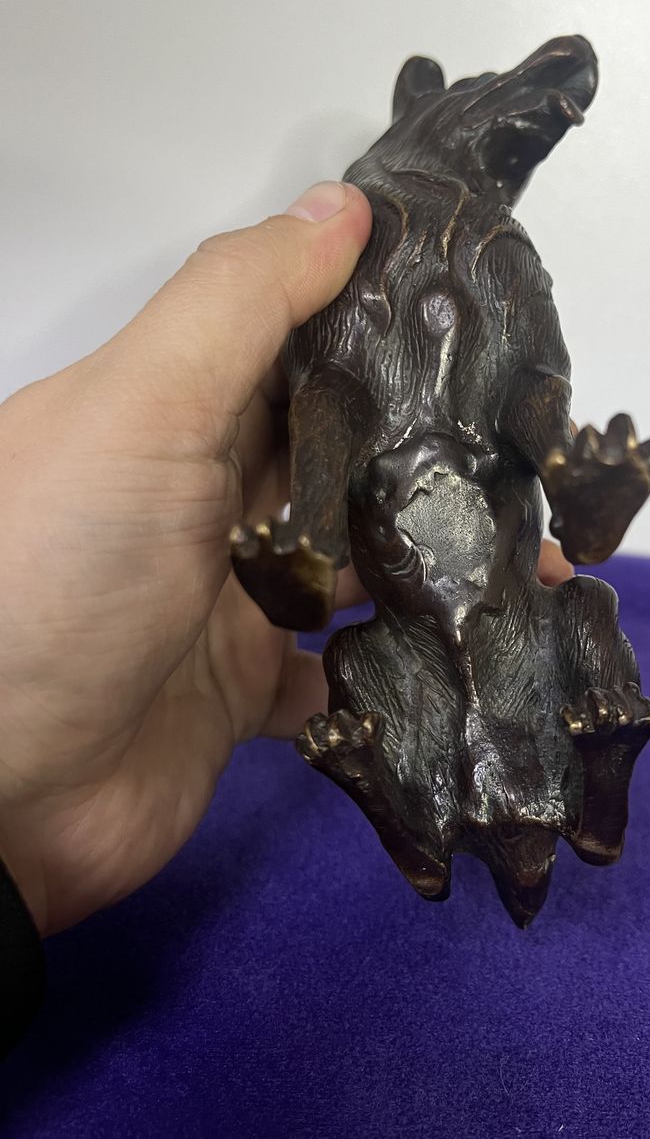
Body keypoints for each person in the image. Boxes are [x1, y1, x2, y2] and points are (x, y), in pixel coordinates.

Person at [0, 181, 573, 1055]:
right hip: (400, 521)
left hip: (447, 530)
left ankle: (319, 570)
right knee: (334, 430)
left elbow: (533, 402)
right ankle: (313, 560)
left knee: (462, 617)